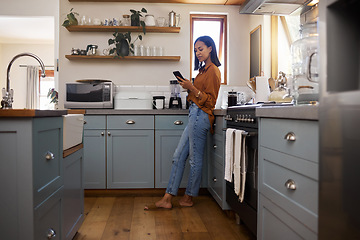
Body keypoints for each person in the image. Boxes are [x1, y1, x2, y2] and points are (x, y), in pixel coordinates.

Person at [147, 35, 221, 210]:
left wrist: (192, 88)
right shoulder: (202, 71)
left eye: (201, 49)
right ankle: (167, 198)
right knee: (178, 156)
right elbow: (198, 95)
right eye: (196, 50)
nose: (198, 53)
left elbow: (210, 101)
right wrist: (190, 87)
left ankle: (188, 197)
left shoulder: (213, 71)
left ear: (211, 48)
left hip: (201, 115)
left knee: (194, 160)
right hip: (194, 114)